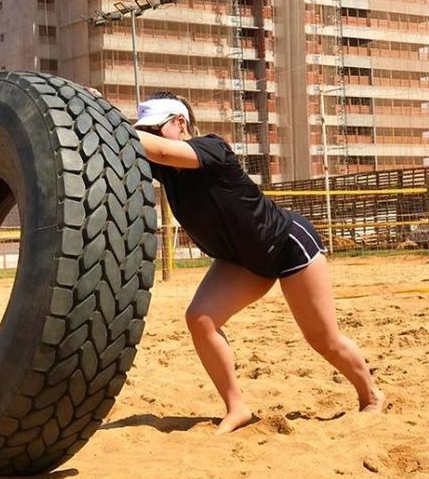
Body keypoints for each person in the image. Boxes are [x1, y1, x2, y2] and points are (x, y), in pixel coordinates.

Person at [133, 91, 386, 434]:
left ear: (180, 123)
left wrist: (112, 122)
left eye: (153, 128)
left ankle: (371, 396)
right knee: (200, 319)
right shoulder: (167, 170)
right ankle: (237, 407)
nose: (147, 136)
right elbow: (136, 150)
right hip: (240, 259)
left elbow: (159, 149)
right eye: (142, 129)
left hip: (287, 246)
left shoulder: (212, 148)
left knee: (323, 338)